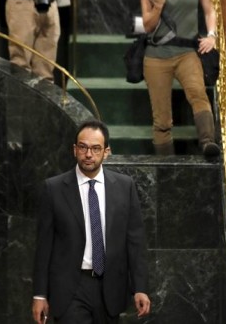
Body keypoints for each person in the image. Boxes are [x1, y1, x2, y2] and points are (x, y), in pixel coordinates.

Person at [32, 120, 151, 324]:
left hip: (111, 287)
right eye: (83, 147)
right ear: (74, 149)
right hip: (70, 287)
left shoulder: (124, 187)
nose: (89, 154)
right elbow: (44, 247)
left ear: (106, 152)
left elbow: (136, 242)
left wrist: (140, 288)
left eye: (96, 148)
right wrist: (40, 295)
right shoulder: (54, 189)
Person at [140, 0, 221, 156]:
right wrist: (159, 5)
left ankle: (208, 142)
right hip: (156, 57)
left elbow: (209, 10)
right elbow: (147, 26)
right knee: (162, 119)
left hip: (187, 53)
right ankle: (166, 165)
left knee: (198, 94)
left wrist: (212, 35)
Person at [5, 0, 61, 81]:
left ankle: (44, 94)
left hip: (50, 2)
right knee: (20, 64)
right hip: (23, 0)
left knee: (46, 68)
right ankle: (21, 94)